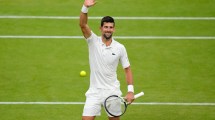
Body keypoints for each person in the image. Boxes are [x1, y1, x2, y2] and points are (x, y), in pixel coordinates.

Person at [79, 0, 135, 120]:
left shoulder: (120, 48)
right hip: (94, 92)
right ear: (101, 28)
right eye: (106, 27)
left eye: (110, 27)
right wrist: (85, 7)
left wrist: (130, 91)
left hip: (112, 92)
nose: (108, 30)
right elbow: (83, 25)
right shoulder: (93, 41)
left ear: (114, 29)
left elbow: (127, 69)